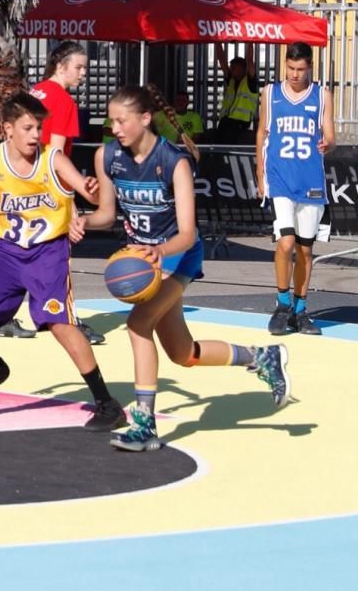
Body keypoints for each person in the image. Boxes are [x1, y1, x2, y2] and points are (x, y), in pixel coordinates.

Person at [72, 85, 290, 452]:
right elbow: (108, 213)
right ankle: (261, 357)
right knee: (182, 353)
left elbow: (187, 234)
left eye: (121, 120)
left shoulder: (174, 161)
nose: (115, 128)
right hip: (146, 257)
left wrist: (159, 251)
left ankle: (144, 425)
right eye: (111, 120)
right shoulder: (106, 157)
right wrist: (81, 222)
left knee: (138, 325)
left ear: (145, 119)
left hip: (178, 256)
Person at [0, 92, 126, 431]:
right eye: (28, 128)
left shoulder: (52, 159)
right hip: (4, 250)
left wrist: (93, 189)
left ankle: (106, 403)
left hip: (47, 251)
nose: (37, 134)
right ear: (8, 129)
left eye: (39, 127)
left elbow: (87, 191)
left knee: (60, 324)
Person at [27, 40, 105, 345]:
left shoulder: (36, 91)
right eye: (79, 67)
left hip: (25, 181)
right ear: (61, 66)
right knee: (58, 256)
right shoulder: (62, 101)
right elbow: (56, 154)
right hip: (48, 186)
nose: (83, 73)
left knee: (29, 253)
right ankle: (65, 318)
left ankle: (24, 314)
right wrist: (69, 201)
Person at [255, 42, 335, 336]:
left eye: (300, 69)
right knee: (285, 243)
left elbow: (330, 134)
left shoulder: (322, 95)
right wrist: (259, 172)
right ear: (284, 64)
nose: (295, 74)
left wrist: (329, 142)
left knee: (305, 249)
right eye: (290, 68)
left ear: (310, 67)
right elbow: (262, 131)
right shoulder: (271, 93)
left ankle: (300, 311)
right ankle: (281, 303)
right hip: (280, 179)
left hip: (311, 181)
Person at [214, 46, 259, 144]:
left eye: (234, 67)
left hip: (240, 124)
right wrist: (216, 41)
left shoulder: (250, 81)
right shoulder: (232, 80)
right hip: (225, 122)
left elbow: (250, 60)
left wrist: (250, 39)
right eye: (231, 67)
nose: (231, 69)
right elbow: (221, 60)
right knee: (217, 149)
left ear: (243, 68)